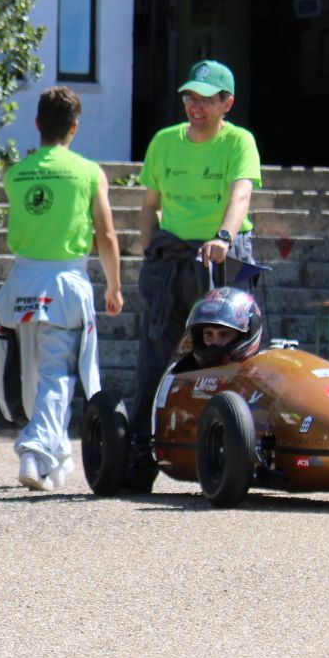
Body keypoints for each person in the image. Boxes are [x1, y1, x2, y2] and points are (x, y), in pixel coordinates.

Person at [0, 85, 122, 491]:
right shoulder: (88, 172)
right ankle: (34, 449)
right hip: (65, 282)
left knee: (33, 372)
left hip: (21, 280)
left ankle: (54, 460)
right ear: (74, 127)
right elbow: (105, 232)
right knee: (57, 373)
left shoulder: (16, 174)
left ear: (37, 125)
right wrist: (114, 286)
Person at [131, 59, 261, 440]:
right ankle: (140, 444)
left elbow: (242, 193)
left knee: (232, 351)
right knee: (154, 353)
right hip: (172, 257)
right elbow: (150, 201)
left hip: (223, 258)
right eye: (190, 97)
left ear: (227, 104)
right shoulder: (164, 141)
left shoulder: (239, 141)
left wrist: (223, 237)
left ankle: (237, 436)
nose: (195, 106)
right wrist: (147, 244)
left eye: (205, 99)